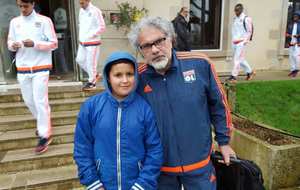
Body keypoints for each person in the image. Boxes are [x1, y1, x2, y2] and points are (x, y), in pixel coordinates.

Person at [128, 16, 235, 190]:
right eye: (146, 46)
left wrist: (224, 142)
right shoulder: (136, 78)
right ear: (140, 51)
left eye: (160, 41)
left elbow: (219, 105)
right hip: (159, 170)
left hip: (199, 165)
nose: (155, 49)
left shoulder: (200, 64)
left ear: (171, 39)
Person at [74, 51, 163, 190]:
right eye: (118, 75)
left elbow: (154, 150)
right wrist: (93, 183)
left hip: (137, 185)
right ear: (108, 77)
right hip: (102, 185)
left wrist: (142, 184)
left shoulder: (144, 108)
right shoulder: (91, 107)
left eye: (129, 74)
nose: (125, 80)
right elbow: (82, 148)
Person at [7, 0, 57, 154]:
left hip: (41, 67)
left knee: (40, 100)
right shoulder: (14, 22)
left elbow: (54, 43)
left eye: (25, 6)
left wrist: (34, 44)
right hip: (22, 67)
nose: (22, 9)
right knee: (29, 101)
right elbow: (9, 41)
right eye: (20, 6)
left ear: (33, 4)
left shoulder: (44, 21)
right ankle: (45, 125)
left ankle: (44, 135)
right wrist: (12, 45)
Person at [76, 0, 106, 91]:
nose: (81, 5)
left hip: (93, 42)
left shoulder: (96, 11)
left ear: (88, 1)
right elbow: (81, 24)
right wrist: (82, 37)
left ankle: (92, 83)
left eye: (82, 3)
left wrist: (91, 35)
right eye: (79, 3)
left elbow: (102, 27)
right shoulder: (81, 11)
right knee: (79, 60)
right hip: (82, 42)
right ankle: (95, 75)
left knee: (91, 63)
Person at [228, 3, 255, 83]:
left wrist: (245, 41)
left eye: (237, 10)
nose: (236, 12)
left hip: (241, 42)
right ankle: (250, 72)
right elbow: (234, 31)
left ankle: (233, 76)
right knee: (241, 59)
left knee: (237, 59)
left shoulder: (246, 19)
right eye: (235, 10)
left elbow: (249, 31)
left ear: (241, 10)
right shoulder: (235, 19)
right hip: (234, 42)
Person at [286, 11, 300, 77]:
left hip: (298, 42)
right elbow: (287, 32)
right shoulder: (290, 24)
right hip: (291, 42)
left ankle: (296, 70)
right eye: (294, 16)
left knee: (295, 56)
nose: (295, 17)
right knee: (291, 56)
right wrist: (287, 34)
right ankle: (292, 70)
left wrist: (298, 35)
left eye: (296, 16)